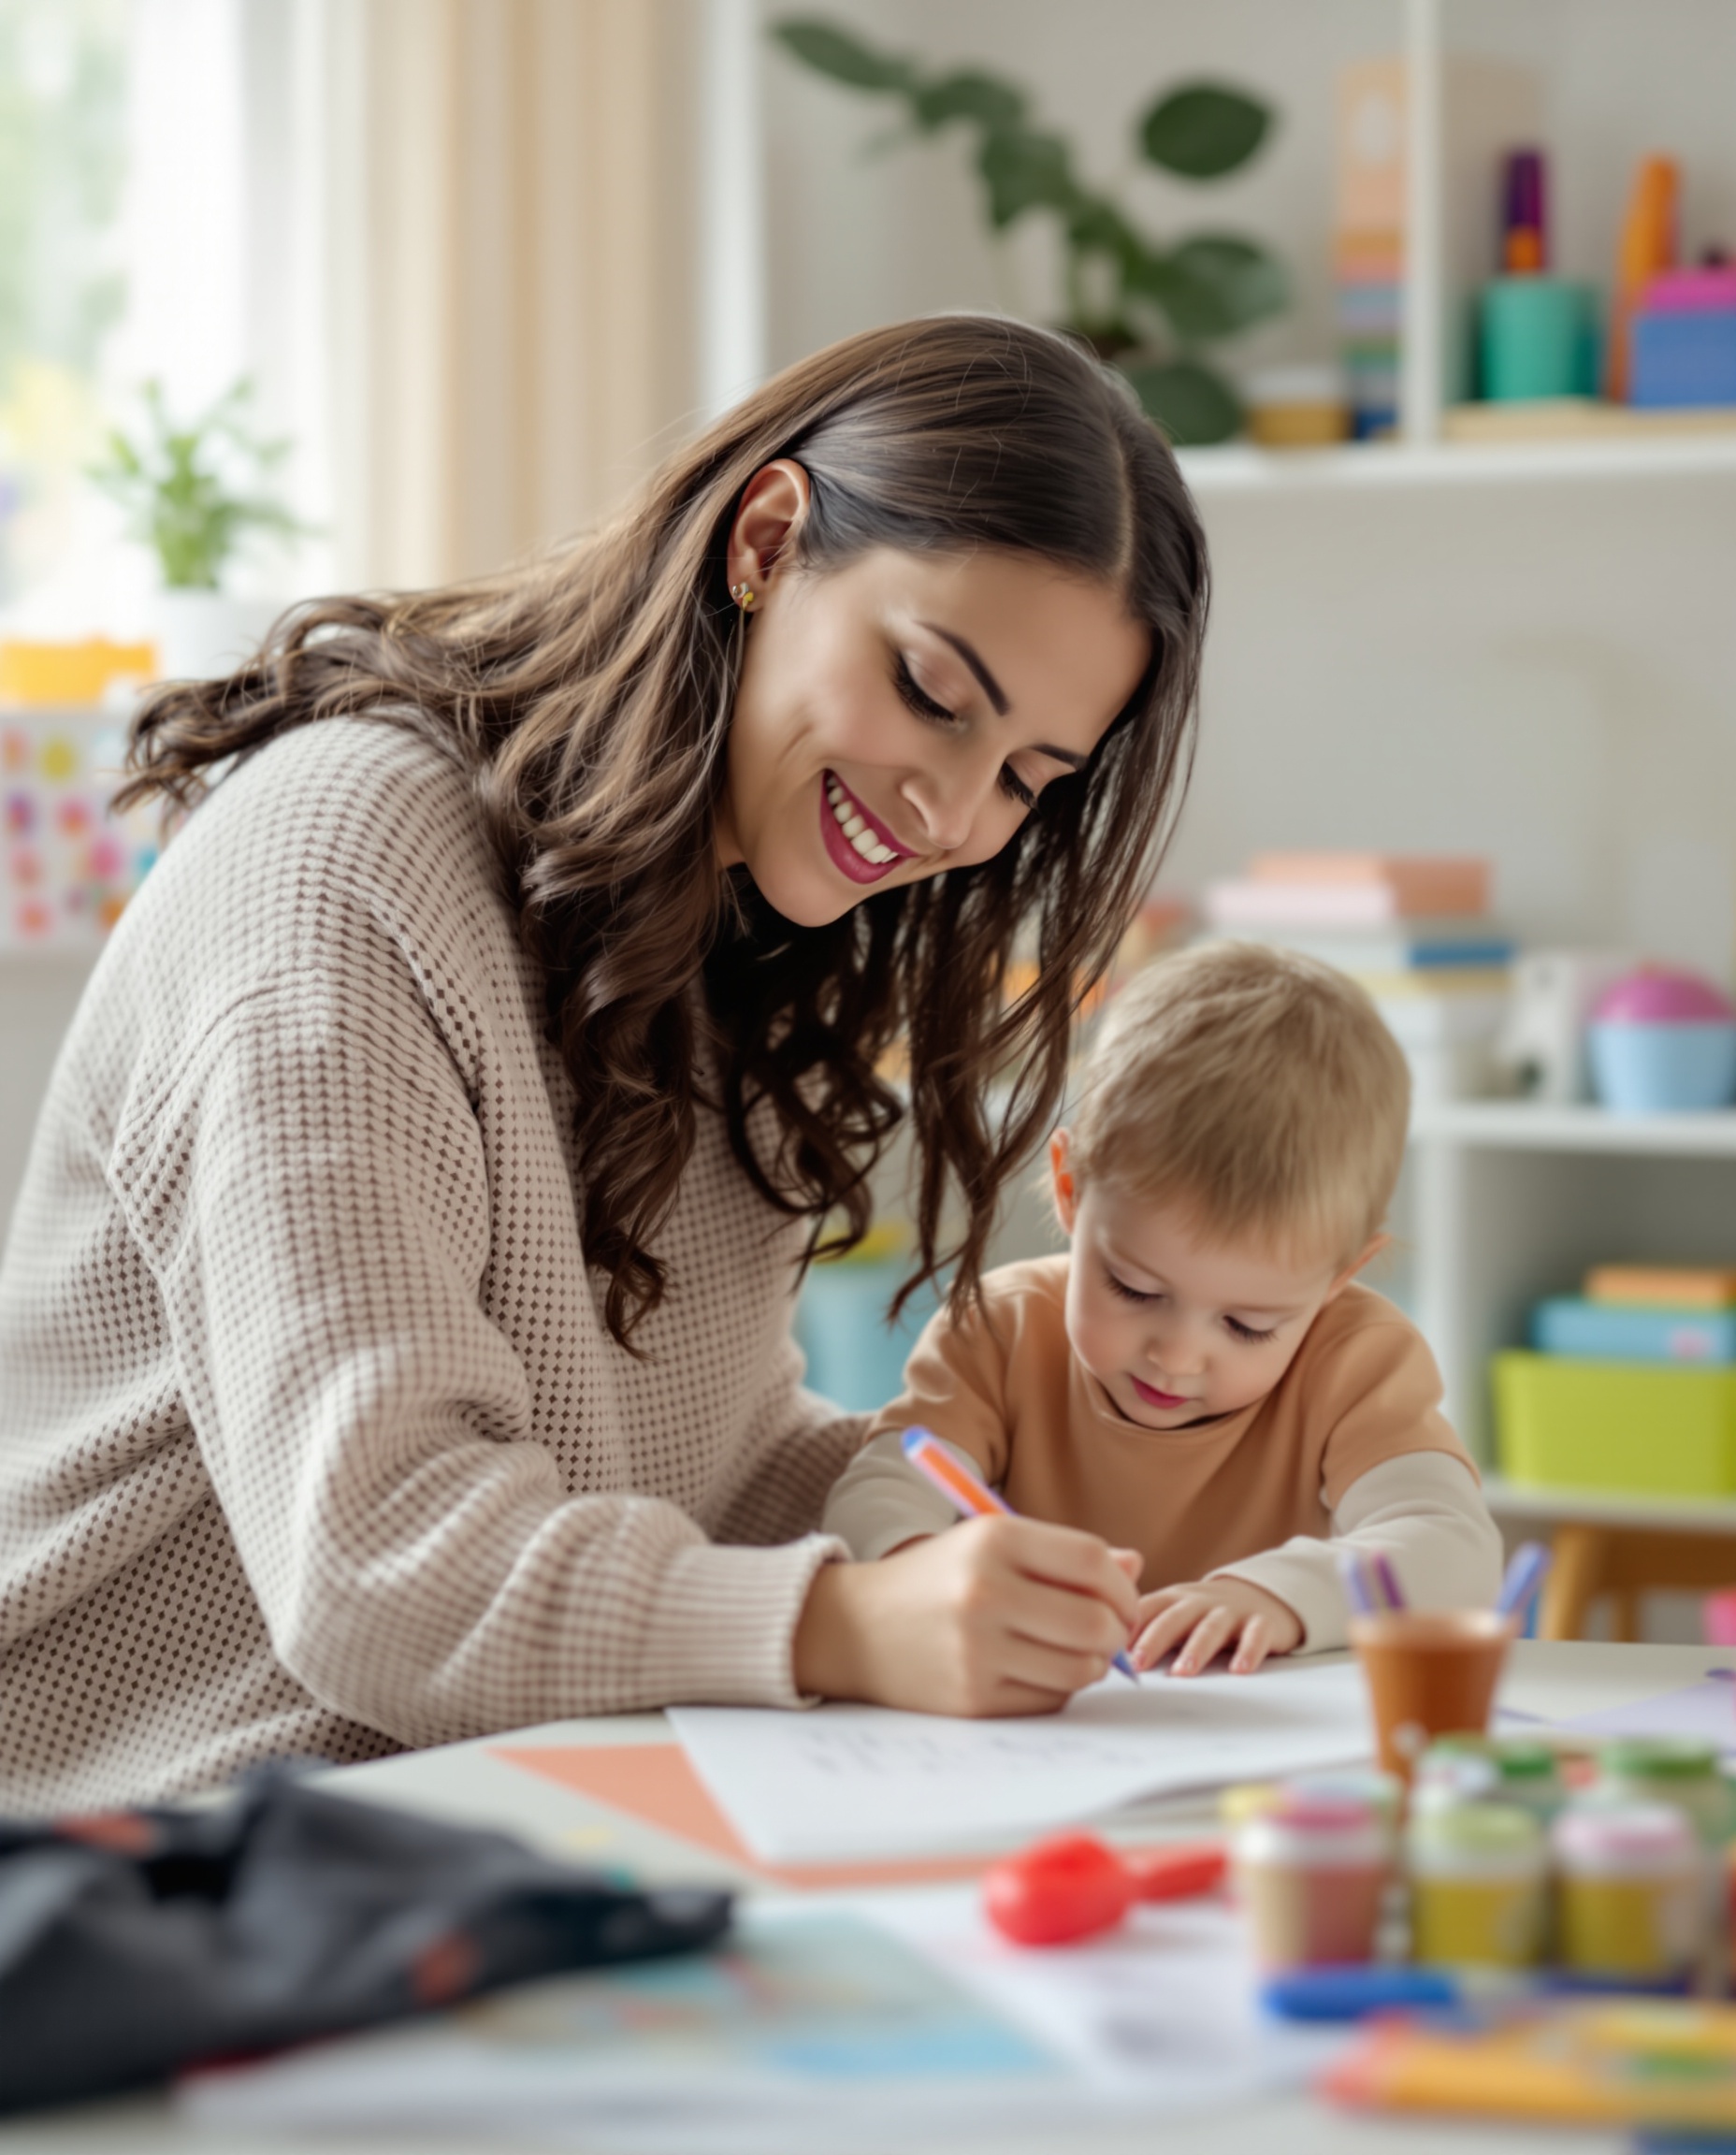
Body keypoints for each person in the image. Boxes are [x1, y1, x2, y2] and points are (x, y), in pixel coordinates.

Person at [0, 317, 1209, 1811]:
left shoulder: (731, 926)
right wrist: (846, 1624)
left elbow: (708, 1456)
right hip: (140, 1859)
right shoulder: (340, 863)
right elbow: (383, 1562)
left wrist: (1026, 1508)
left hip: (476, 1827)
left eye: (1029, 778)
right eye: (930, 694)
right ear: (768, 539)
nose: (956, 815)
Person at [822, 941, 1504, 1674]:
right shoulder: (1000, 1328)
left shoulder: (1357, 1356)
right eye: (1135, 1290)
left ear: (1341, 1275)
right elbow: (880, 1490)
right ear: (1070, 1188)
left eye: (1248, 1325)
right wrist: (920, 1568)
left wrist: (1274, 1597)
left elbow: (1452, 1548)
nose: (1176, 1357)